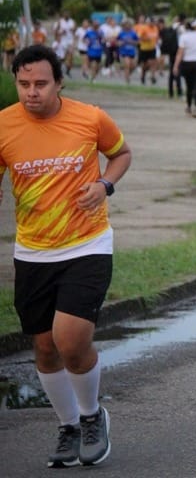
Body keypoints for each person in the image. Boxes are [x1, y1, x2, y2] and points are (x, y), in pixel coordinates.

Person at [0, 45, 132, 468]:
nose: (31, 93)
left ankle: (93, 417)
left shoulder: (90, 118)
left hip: (86, 244)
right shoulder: (3, 125)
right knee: (43, 346)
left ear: (59, 82)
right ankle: (68, 426)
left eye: (40, 83)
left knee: (71, 339)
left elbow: (121, 155)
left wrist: (105, 185)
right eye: (23, 84)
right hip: (34, 251)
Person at [160, 17, 183, 98]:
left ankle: (172, 92)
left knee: (173, 72)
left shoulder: (170, 29)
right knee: (176, 71)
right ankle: (178, 91)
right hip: (176, 52)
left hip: (173, 52)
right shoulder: (176, 29)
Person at [135, 15, 159, 84]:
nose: (153, 23)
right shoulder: (143, 28)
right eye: (151, 22)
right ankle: (143, 75)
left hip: (152, 48)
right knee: (145, 65)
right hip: (144, 49)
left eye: (153, 22)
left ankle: (153, 77)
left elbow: (156, 37)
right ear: (148, 22)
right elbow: (138, 38)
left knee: (153, 63)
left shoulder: (155, 28)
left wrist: (157, 41)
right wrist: (145, 39)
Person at [115, 18, 139, 85]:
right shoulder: (121, 33)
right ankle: (127, 81)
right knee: (127, 65)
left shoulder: (133, 33)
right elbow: (116, 42)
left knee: (133, 66)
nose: (127, 26)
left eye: (129, 24)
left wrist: (132, 42)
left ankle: (127, 75)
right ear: (123, 25)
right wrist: (120, 43)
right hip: (124, 52)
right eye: (126, 24)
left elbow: (138, 42)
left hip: (132, 52)